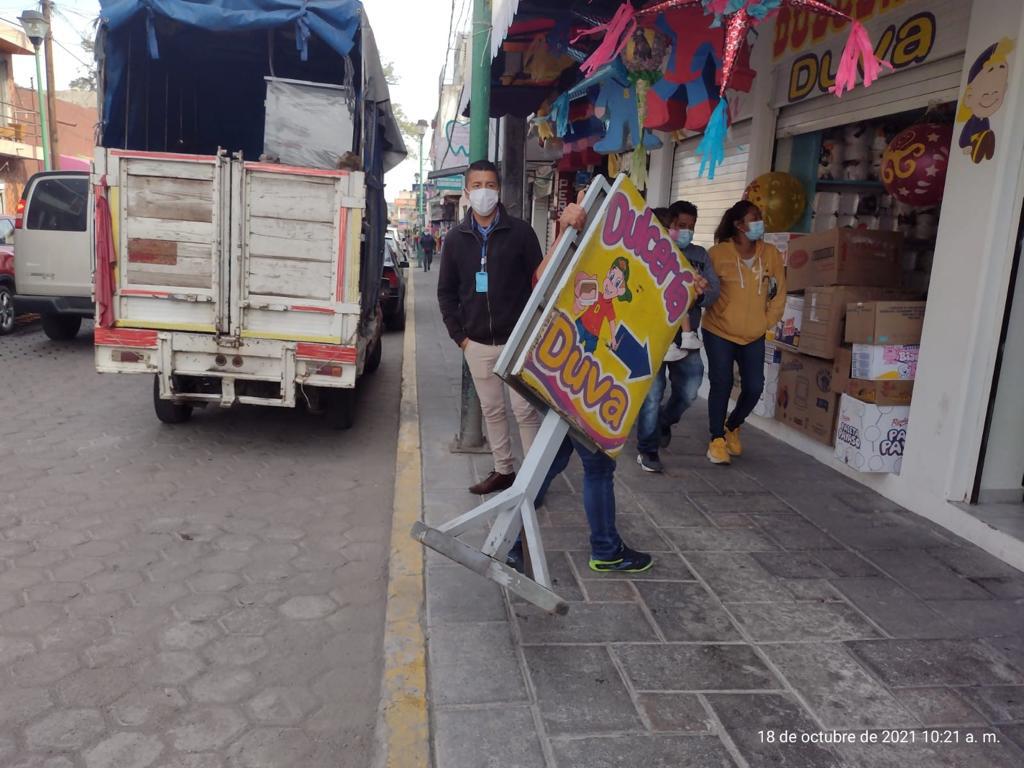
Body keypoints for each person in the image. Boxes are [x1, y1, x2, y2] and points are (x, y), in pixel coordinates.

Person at [438, 160, 549, 495]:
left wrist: (532, 331)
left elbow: (538, 282)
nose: (483, 191)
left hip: (518, 340)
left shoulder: (521, 232)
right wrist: (461, 338)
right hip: (477, 344)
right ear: (467, 191)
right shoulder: (456, 238)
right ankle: (504, 471)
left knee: (525, 411)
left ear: (498, 190)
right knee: (493, 410)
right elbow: (446, 291)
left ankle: (533, 480)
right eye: (477, 185)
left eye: (490, 184)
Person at [636, 201, 719, 473]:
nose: (686, 232)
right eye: (681, 226)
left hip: (687, 337)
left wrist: (701, 291)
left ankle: (663, 422)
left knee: (690, 389)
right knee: (652, 393)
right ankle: (647, 449)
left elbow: (713, 293)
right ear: (670, 225)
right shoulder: (647, 251)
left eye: (691, 227)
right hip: (653, 335)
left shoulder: (700, 255)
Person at [702, 200, 786, 465]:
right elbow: (707, 290)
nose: (760, 222)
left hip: (754, 334)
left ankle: (733, 425)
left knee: (754, 387)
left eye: (760, 217)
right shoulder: (717, 254)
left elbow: (779, 292)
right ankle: (716, 440)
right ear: (739, 225)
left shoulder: (771, 254)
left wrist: (766, 322)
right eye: (754, 217)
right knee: (721, 383)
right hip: (719, 331)